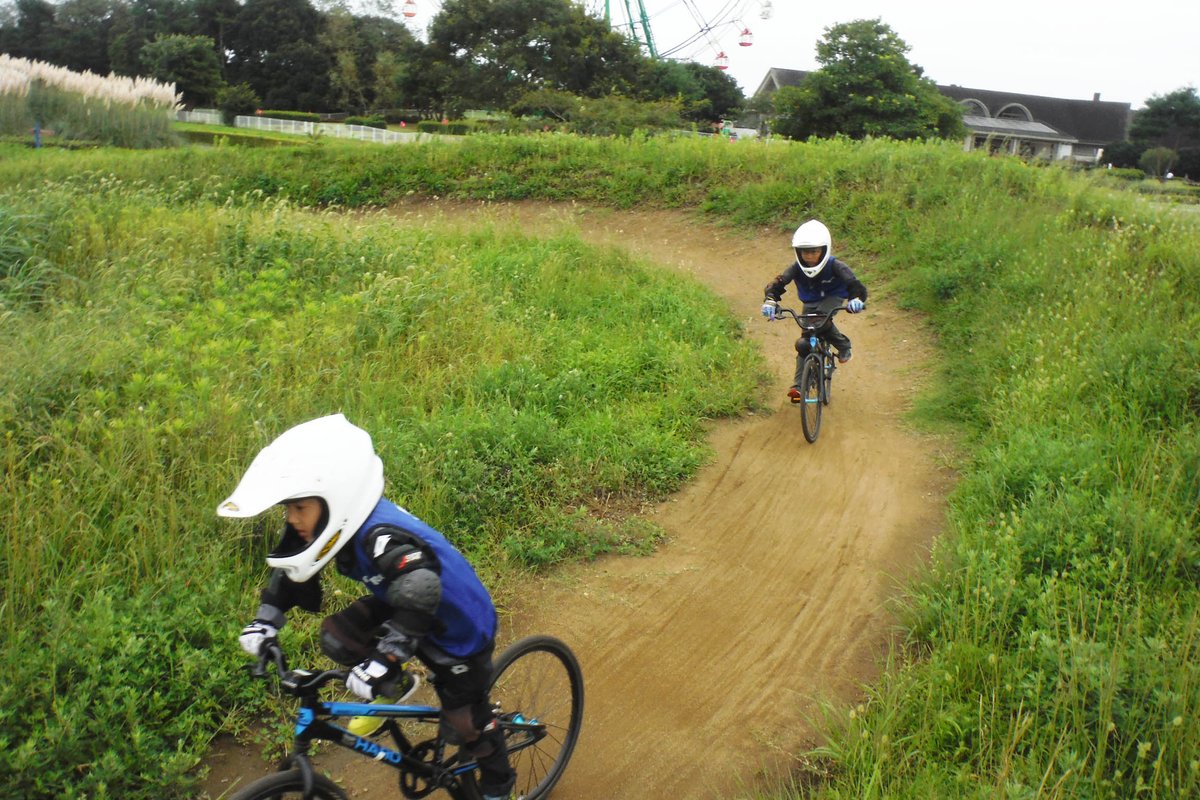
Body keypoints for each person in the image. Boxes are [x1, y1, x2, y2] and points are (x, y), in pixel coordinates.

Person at [217, 413, 515, 800]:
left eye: (298, 508)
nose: (292, 519)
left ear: (335, 499)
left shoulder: (380, 536)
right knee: (338, 636)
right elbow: (293, 569)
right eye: (288, 509)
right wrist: (265, 622)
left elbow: (422, 586)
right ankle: (396, 688)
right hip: (403, 605)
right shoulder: (335, 523)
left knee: (466, 723)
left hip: (458, 626)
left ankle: (499, 788)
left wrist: (386, 656)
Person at [760, 219, 867, 403]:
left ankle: (843, 345)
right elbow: (777, 283)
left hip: (833, 296)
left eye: (814, 251)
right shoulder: (795, 268)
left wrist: (856, 299)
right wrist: (770, 301)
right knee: (804, 343)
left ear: (824, 250)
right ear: (798, 252)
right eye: (805, 252)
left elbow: (854, 284)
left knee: (818, 322)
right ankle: (798, 387)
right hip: (810, 301)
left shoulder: (835, 265)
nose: (809, 256)